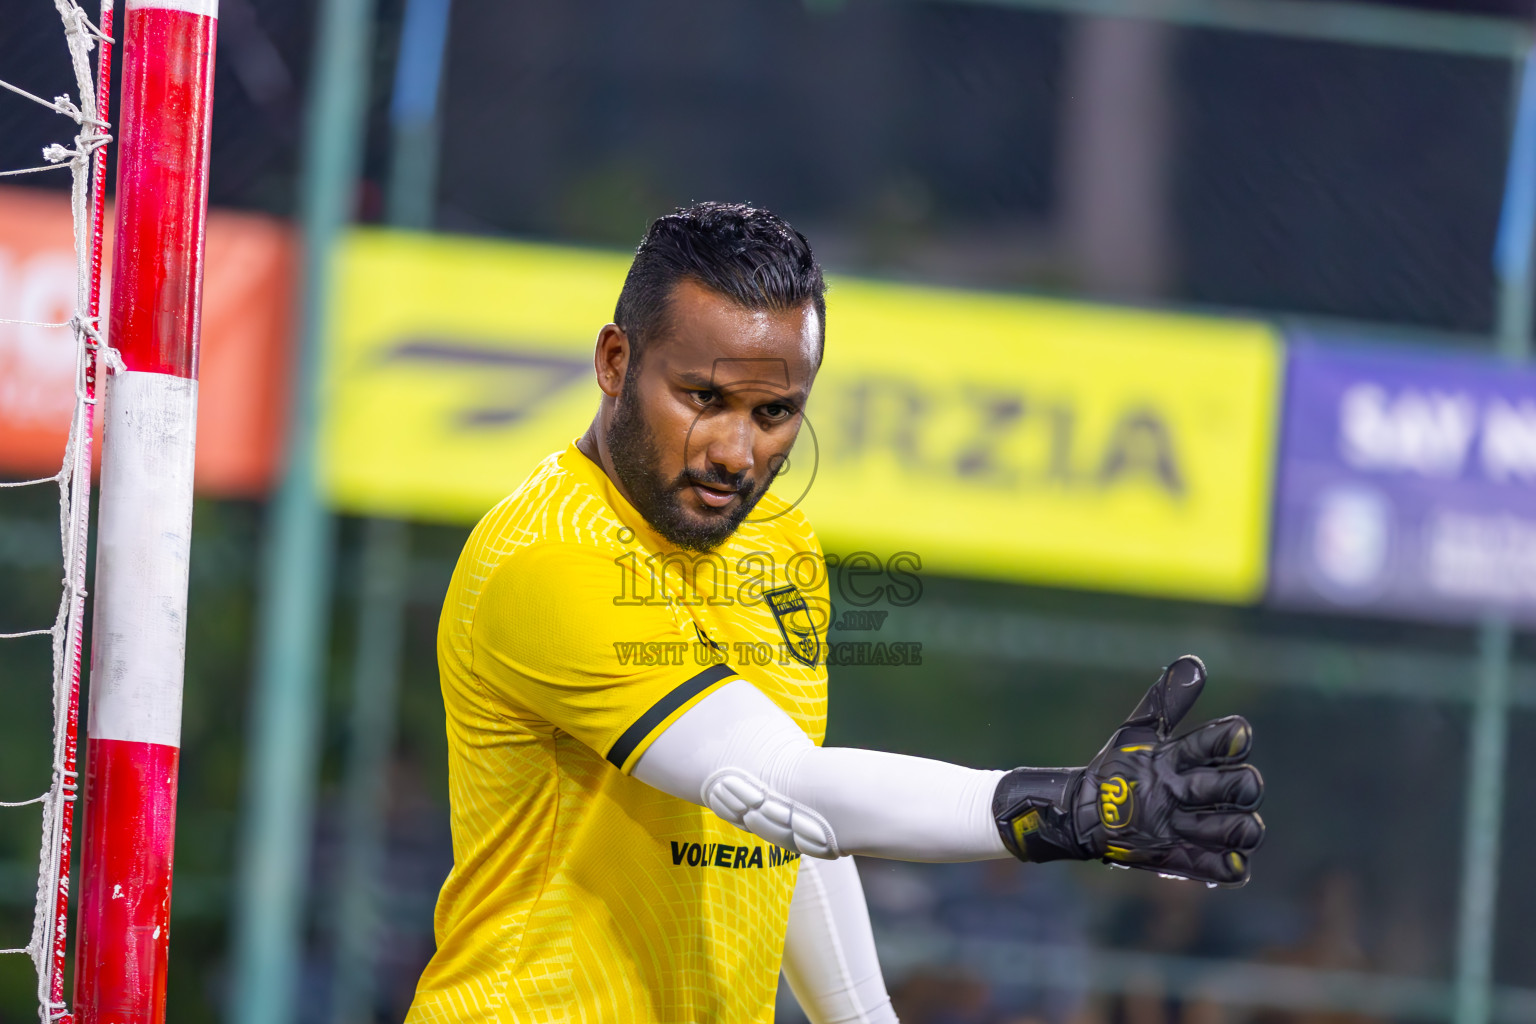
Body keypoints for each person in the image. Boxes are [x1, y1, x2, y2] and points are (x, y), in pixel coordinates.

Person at [404, 202, 1265, 1024]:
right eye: (703, 397)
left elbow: (785, 820)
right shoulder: (550, 557)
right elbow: (783, 784)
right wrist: (1059, 809)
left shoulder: (776, 541)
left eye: (774, 413)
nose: (736, 453)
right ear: (615, 362)